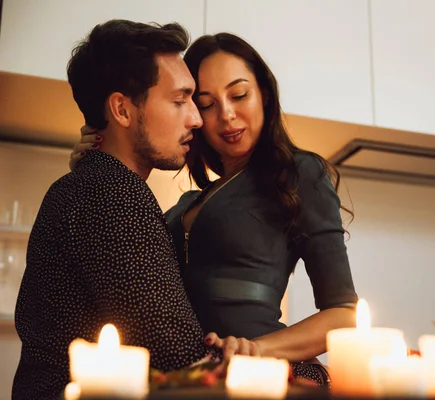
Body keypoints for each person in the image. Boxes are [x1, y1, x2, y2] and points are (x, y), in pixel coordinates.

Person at [70, 32, 359, 385]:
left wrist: (257, 351)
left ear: (264, 94)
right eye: (206, 103)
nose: (226, 114)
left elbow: (344, 315)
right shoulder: (188, 202)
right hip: (191, 377)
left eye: (239, 95)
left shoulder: (299, 174)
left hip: (258, 376)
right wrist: (98, 168)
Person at [13, 21, 257, 400]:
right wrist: (309, 372)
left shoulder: (87, 186)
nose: (196, 118)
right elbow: (180, 359)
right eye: (179, 101)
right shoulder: (113, 194)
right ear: (122, 110)